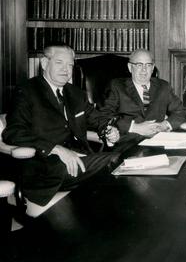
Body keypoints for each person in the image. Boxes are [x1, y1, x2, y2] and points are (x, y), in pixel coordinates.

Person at [2, 44, 120, 207]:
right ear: (44, 63)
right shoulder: (26, 92)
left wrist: (108, 129)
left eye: (70, 65)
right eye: (59, 62)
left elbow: (96, 119)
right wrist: (56, 148)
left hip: (79, 160)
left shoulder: (76, 93)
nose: (66, 69)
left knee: (120, 164)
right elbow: (13, 133)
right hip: (46, 169)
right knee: (117, 161)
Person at [98, 49, 186, 144]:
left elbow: (182, 112)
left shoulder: (163, 87)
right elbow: (104, 117)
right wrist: (134, 127)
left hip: (158, 141)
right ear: (130, 67)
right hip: (127, 143)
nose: (144, 70)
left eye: (148, 65)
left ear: (153, 68)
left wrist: (164, 125)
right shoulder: (117, 86)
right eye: (139, 65)